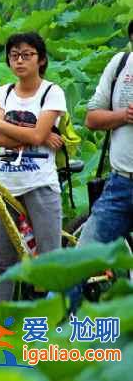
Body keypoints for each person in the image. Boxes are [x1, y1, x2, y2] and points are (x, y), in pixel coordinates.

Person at [0, 32, 67, 303]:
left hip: (40, 183)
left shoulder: (52, 93)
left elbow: (34, 137)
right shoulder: (2, 92)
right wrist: (34, 132)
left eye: (27, 55)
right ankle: (0, 327)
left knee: (49, 262)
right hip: (6, 186)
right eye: (14, 55)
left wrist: (1, 124)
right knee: (4, 262)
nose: (19, 60)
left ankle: (53, 324)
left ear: (41, 60)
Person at [78, 19, 133, 247]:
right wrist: (123, 116)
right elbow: (91, 118)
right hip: (120, 184)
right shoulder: (120, 64)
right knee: (76, 264)